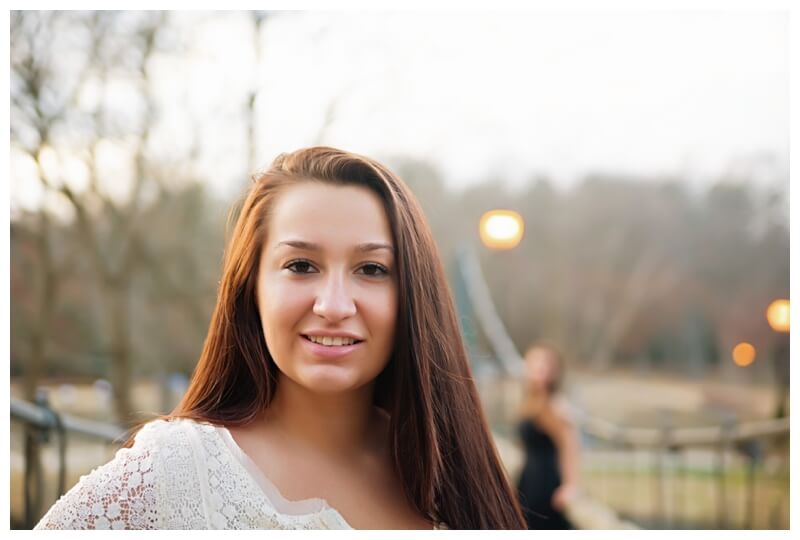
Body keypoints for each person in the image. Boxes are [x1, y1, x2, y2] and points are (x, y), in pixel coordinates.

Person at [35, 147, 527, 530]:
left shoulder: (450, 475)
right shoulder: (177, 473)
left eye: (372, 269)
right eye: (301, 266)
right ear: (252, 287)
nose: (334, 306)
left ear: (413, 296)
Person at [516, 342, 581, 529]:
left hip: (547, 486)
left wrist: (571, 485)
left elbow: (569, 445)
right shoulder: (531, 401)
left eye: (545, 364)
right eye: (535, 363)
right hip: (528, 482)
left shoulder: (556, 404)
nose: (539, 368)